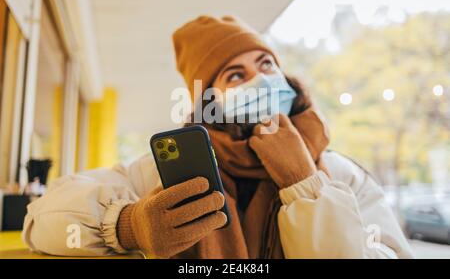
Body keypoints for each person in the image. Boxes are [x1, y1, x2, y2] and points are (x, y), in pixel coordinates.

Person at [22, 15, 413, 259]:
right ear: (211, 101)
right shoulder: (167, 174)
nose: (261, 79)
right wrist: (129, 226)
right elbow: (43, 220)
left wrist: (304, 183)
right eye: (237, 76)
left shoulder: (340, 174)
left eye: (267, 64)